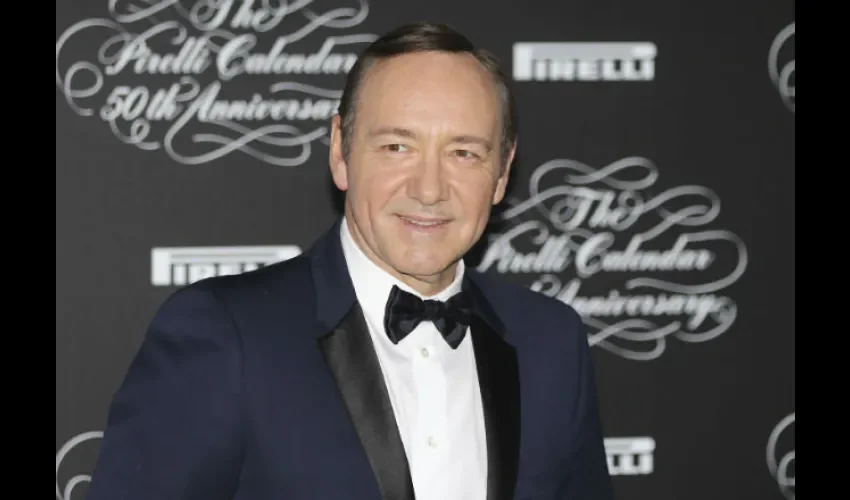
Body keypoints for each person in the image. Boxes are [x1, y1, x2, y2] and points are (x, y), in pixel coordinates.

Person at [85, 21, 614, 500]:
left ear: (501, 173)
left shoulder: (550, 343)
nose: (429, 189)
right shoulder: (226, 336)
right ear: (340, 151)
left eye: (464, 153)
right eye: (397, 147)